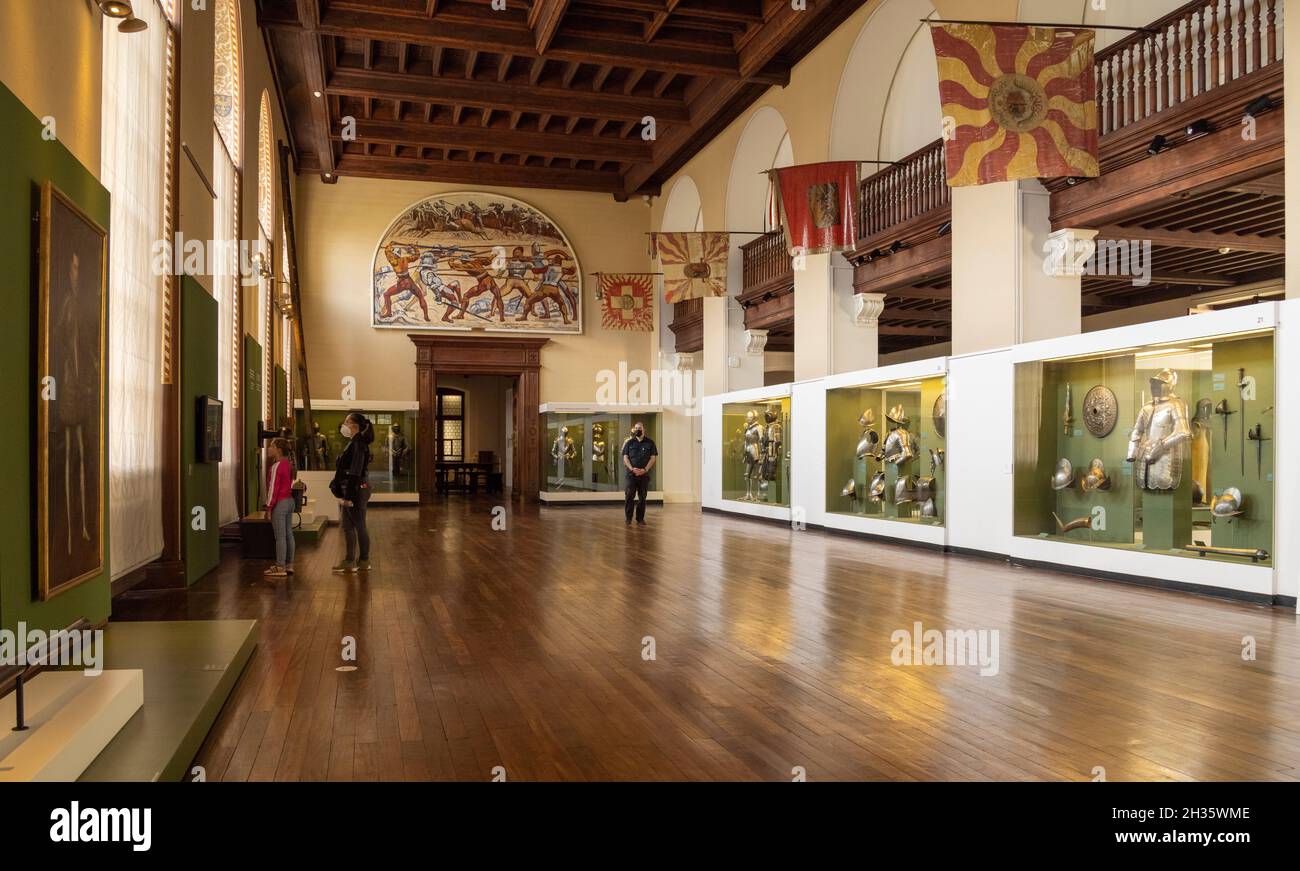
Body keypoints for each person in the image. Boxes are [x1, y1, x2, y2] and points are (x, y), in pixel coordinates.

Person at [330, 412, 374, 573]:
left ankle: (363, 560)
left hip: (355, 490)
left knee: (359, 524)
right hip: (350, 489)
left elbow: (355, 472)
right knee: (347, 526)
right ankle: (349, 560)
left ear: (354, 425)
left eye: (346, 422)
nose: (344, 424)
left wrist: (348, 497)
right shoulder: (354, 443)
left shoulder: (358, 444)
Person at [264, 437, 296, 578]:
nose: (269, 448)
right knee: (288, 534)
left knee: (280, 537)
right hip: (290, 502)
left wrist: (268, 508)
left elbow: (273, 490)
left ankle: (280, 566)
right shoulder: (288, 464)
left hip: (280, 504)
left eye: (271, 446)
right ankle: (289, 565)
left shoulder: (276, 466)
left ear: (278, 449)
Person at [621, 422, 658, 526]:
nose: (638, 430)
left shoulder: (650, 443)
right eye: (636, 428)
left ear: (643, 429)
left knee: (642, 497)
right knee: (629, 496)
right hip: (631, 475)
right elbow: (625, 457)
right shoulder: (629, 442)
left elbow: (653, 458)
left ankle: (640, 519)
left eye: (640, 428)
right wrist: (632, 469)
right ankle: (628, 518)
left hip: (644, 475)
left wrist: (645, 469)